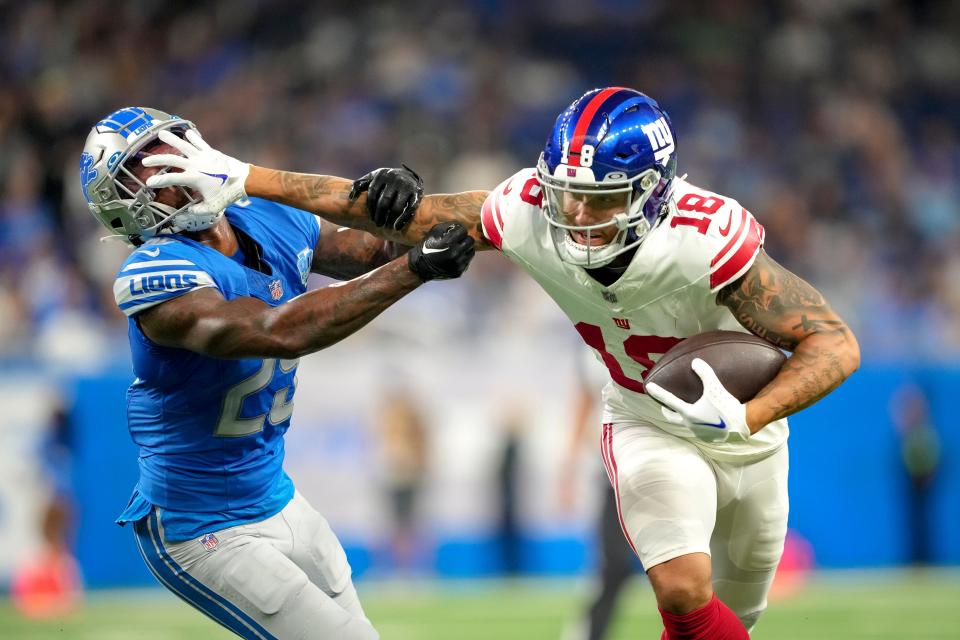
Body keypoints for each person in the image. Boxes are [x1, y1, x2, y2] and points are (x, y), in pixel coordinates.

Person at [151, 87, 861, 639]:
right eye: (568, 193)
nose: (576, 214)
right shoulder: (527, 208)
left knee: (743, 613)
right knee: (680, 590)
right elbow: (395, 215)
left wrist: (747, 413)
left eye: (599, 200)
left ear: (652, 193)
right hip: (645, 417)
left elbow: (834, 342)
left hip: (750, 433)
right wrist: (243, 176)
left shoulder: (707, 238)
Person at [79, 106, 474, 639]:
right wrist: (414, 267)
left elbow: (367, 250)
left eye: (172, 148)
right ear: (124, 206)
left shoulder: (263, 215)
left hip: (278, 498)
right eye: (148, 168)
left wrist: (396, 207)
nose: (173, 168)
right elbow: (276, 330)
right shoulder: (153, 275)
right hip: (200, 526)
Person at [558, 347, 641, 640]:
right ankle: (590, 632)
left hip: (658, 463)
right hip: (611, 472)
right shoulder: (587, 347)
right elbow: (582, 406)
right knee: (615, 565)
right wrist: (568, 470)